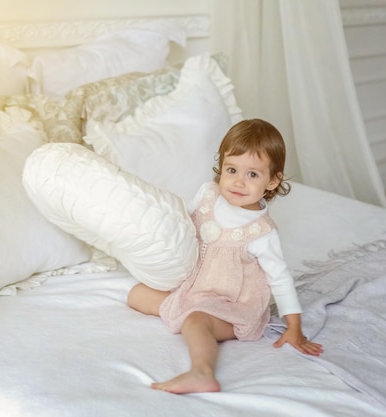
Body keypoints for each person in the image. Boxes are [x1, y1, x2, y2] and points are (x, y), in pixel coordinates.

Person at [127, 118, 323, 394]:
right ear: (221, 166)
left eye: (253, 175)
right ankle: (184, 310)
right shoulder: (208, 195)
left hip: (233, 304)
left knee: (196, 320)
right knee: (136, 294)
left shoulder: (261, 232)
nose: (238, 182)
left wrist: (295, 327)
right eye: (232, 170)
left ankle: (201, 372)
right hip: (193, 287)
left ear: (273, 180)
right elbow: (181, 225)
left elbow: (281, 280)